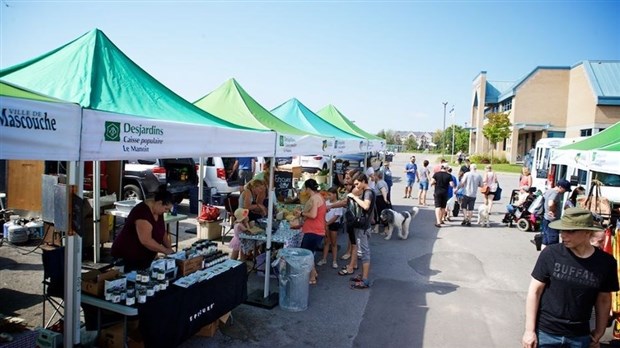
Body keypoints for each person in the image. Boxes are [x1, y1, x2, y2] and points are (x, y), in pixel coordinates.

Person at [522, 207, 619, 348]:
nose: (563, 235)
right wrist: (529, 331)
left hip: (580, 337)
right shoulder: (551, 254)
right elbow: (534, 291)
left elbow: (604, 300)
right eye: (562, 230)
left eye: (571, 231)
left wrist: (599, 332)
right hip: (545, 334)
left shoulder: (606, 263)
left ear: (587, 232)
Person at [111, 186, 174, 271]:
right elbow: (146, 240)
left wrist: (170, 249)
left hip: (144, 257)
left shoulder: (158, 211)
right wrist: (165, 250)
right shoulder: (142, 212)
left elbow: (162, 232)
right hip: (128, 255)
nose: (166, 211)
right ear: (159, 203)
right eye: (166, 209)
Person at [342, 174, 375, 290]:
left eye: (357, 184)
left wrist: (354, 197)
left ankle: (365, 279)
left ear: (363, 181)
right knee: (363, 251)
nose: (356, 186)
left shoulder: (368, 192)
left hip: (363, 227)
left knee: (365, 253)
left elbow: (366, 206)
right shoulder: (367, 192)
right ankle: (363, 276)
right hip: (363, 226)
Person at [295, 179, 326, 285]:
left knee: (307, 254)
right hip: (317, 230)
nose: (305, 190)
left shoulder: (314, 198)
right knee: (310, 253)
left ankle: (312, 277)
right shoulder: (320, 196)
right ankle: (314, 273)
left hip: (313, 230)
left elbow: (313, 215)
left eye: (305, 188)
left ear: (308, 188)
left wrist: (301, 213)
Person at [541, 179, 572, 247]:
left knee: (545, 239)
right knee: (553, 240)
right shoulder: (556, 193)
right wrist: (551, 210)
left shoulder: (549, 190)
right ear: (560, 187)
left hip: (546, 218)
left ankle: (544, 254)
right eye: (565, 189)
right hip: (552, 221)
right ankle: (553, 256)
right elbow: (550, 203)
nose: (565, 191)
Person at [318, 187, 343, 269]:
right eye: (328, 195)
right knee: (326, 241)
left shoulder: (339, 204)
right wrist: (325, 223)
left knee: (334, 242)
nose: (328, 196)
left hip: (333, 224)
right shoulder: (326, 202)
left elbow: (336, 217)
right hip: (326, 223)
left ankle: (334, 260)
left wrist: (327, 224)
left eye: (330, 194)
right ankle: (324, 259)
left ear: (335, 194)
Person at [430, 163, 455, 228]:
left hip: (437, 192)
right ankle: (441, 220)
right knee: (443, 207)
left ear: (441, 167)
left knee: (437, 207)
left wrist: (435, 183)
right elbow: (452, 185)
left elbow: (431, 182)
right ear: (446, 168)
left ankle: (438, 222)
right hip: (445, 192)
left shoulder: (436, 174)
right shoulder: (449, 176)